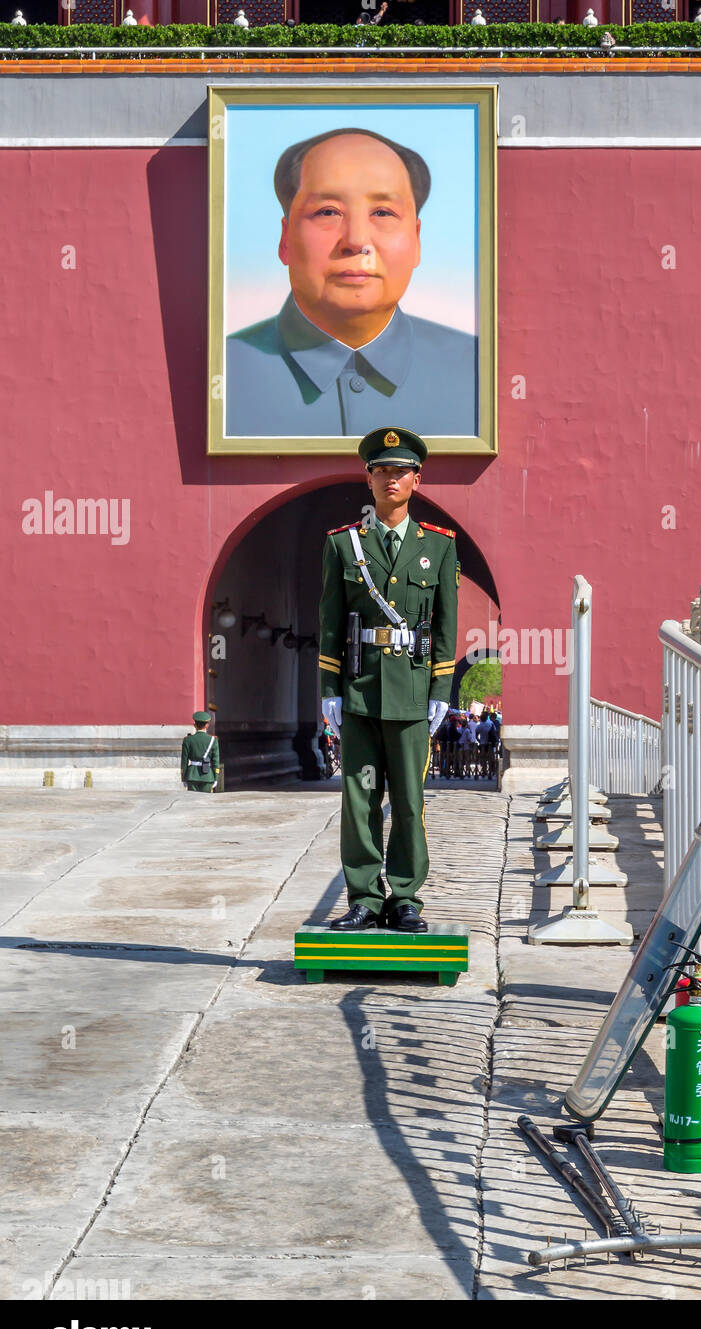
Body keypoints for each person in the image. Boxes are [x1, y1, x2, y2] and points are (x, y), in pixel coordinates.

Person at [225, 129, 478, 440]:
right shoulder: (222, 372)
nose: (357, 241)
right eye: (328, 212)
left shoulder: (479, 373)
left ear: (416, 240)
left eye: (383, 212)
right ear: (285, 239)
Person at [318, 426, 459, 933]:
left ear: (417, 479)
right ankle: (363, 897)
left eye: (401, 471)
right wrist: (330, 688)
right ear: (369, 479)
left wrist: (442, 690)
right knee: (358, 797)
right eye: (382, 471)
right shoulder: (342, 545)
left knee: (408, 799)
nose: (391, 479)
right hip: (358, 689)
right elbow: (331, 623)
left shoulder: (439, 547)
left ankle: (404, 897)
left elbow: (445, 625)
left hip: (413, 692)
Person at [181, 712, 220, 793]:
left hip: (192, 775)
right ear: (207, 725)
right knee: (205, 802)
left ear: (194, 725)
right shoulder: (213, 740)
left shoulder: (187, 740)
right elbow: (216, 761)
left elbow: (184, 761)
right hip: (207, 776)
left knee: (192, 801)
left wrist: (184, 777)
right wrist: (216, 778)